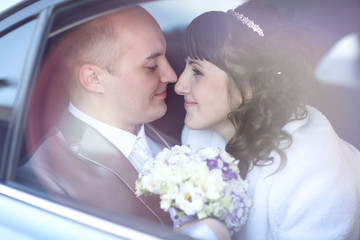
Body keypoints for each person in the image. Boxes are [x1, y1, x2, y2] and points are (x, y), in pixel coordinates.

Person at [174, 1, 360, 239]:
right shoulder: (201, 134)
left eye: (197, 71)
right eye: (185, 66)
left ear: (249, 86)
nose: (179, 85)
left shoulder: (315, 178)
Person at [20, 6, 178, 227]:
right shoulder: (42, 181)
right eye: (151, 66)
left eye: (166, 57)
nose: (171, 75)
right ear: (93, 79)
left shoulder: (177, 144)